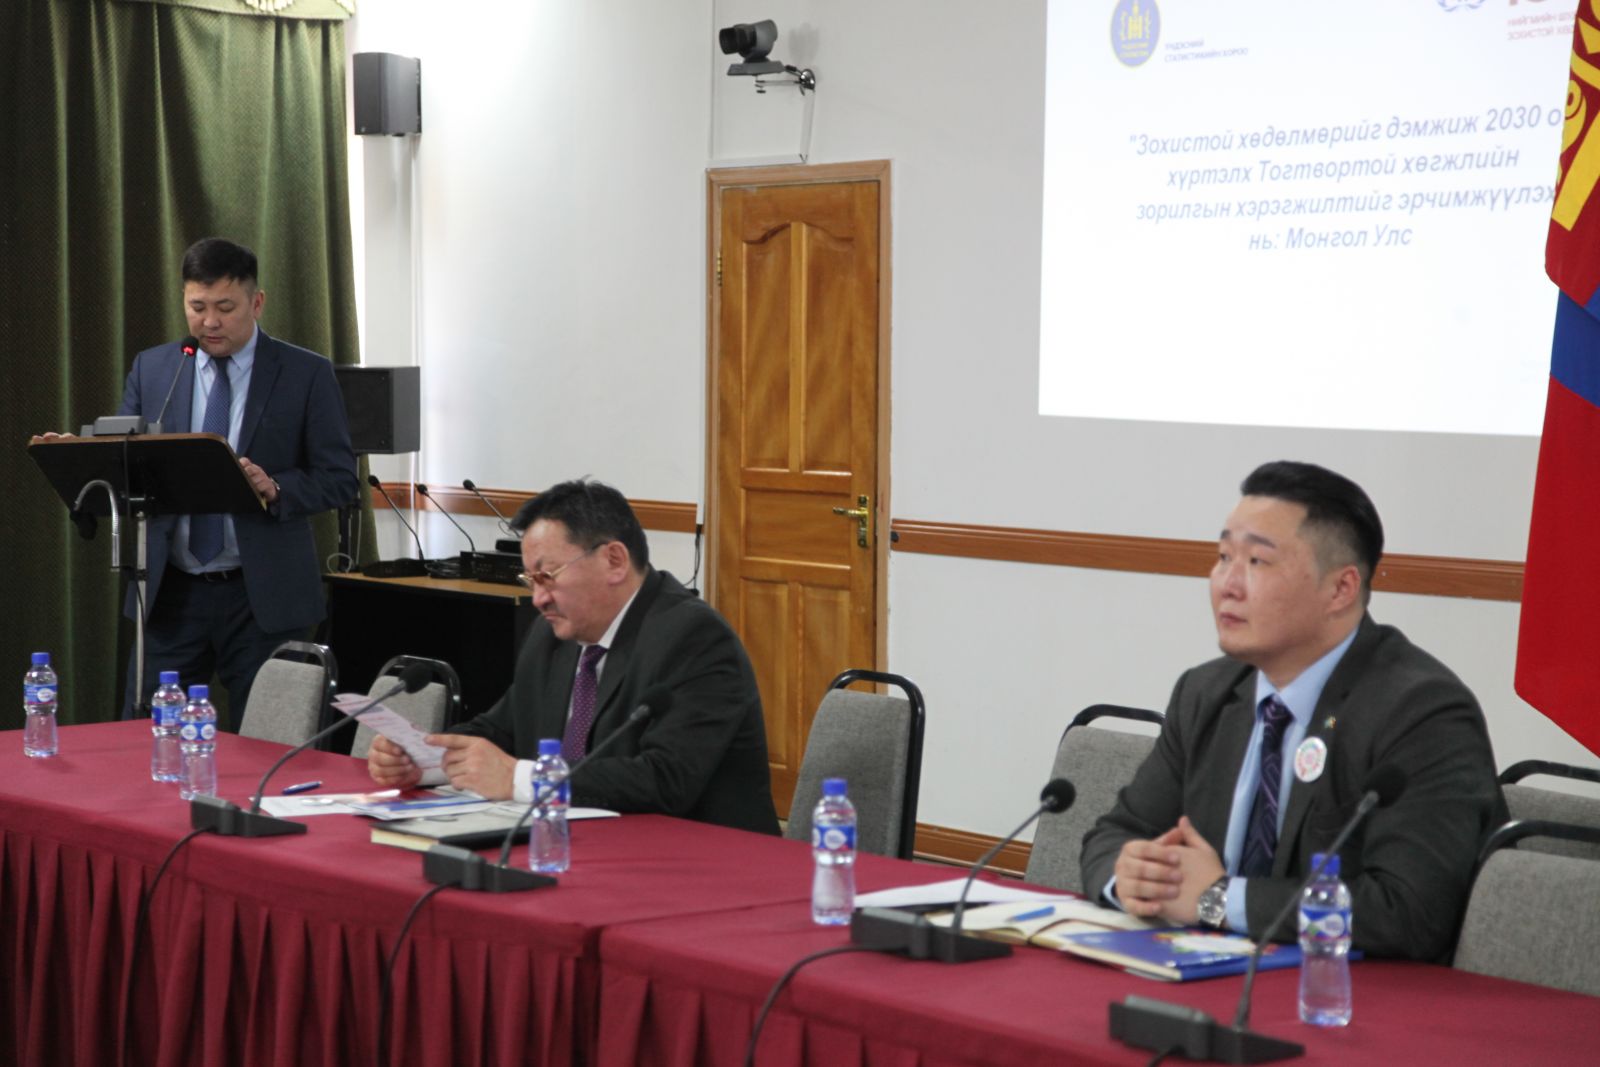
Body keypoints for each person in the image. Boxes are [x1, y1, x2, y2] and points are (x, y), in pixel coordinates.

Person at [1079, 460, 1505, 962]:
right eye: (1223, 557)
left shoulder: (1421, 713)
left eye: (1257, 562)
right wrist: (1130, 876)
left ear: (1340, 589)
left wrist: (1220, 900)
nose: (1227, 584)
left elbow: (1408, 913)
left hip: (1350, 995)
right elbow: (1114, 834)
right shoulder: (1206, 692)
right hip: (1207, 977)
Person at [368, 478, 781, 835]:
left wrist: (520, 777)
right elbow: (502, 730)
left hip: (701, 863)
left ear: (614, 561)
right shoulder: (554, 635)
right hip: (582, 846)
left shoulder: (695, 638)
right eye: (530, 580)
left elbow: (665, 779)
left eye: (547, 576)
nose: (538, 598)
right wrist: (428, 760)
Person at [116, 237, 358, 722]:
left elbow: (340, 478)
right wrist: (84, 454)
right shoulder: (156, 368)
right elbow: (124, 457)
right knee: (148, 737)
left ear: (257, 302)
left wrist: (277, 487)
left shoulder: (305, 373)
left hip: (262, 595)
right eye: (197, 307)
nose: (210, 322)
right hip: (172, 593)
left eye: (225, 308)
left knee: (269, 741)